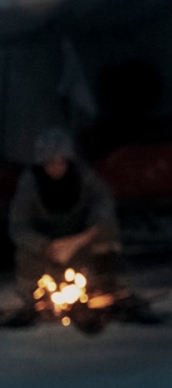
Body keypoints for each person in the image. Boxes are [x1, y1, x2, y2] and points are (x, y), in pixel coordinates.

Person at [7, 127, 132, 326]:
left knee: (108, 231)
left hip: (79, 241)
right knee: (25, 257)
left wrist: (88, 233)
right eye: (49, 162)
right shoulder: (30, 183)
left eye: (60, 161)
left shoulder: (83, 175)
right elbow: (18, 226)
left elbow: (104, 201)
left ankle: (104, 283)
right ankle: (37, 298)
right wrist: (44, 246)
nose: (55, 167)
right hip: (47, 249)